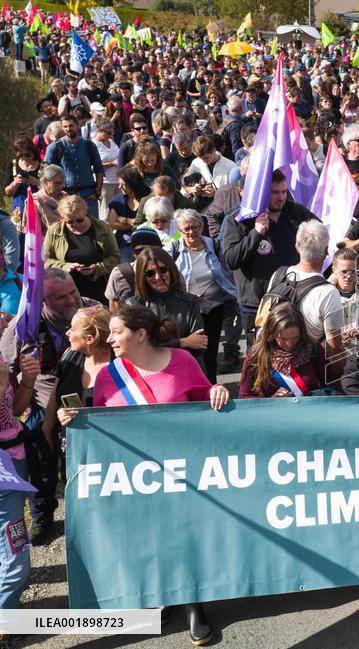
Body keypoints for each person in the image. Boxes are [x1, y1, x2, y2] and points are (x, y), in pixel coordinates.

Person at [83, 304, 226, 645]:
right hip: (134, 472)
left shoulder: (182, 362)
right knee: (146, 536)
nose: (109, 337)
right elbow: (98, 423)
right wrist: (72, 420)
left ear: (141, 334)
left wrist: (216, 392)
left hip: (181, 467)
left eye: (117, 331)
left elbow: (203, 394)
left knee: (183, 534)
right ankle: (160, 595)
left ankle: (194, 603)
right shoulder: (107, 375)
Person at [0, 268, 95, 544]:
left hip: (83, 399)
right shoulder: (24, 325)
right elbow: (6, 369)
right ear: (42, 301)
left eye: (73, 291)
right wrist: (23, 393)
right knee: (41, 462)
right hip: (41, 403)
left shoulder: (91, 311)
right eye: (61, 297)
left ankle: (88, 511)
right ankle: (42, 513)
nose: (72, 299)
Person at [222, 170, 318, 345]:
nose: (281, 197)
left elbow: (319, 233)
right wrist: (256, 233)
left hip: (293, 298)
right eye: (275, 192)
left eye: (284, 191)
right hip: (257, 304)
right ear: (261, 192)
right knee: (262, 361)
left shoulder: (294, 211)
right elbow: (230, 260)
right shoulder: (237, 219)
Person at [261, 221, 346, 384]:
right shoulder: (328, 292)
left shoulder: (279, 275)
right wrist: (341, 380)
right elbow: (334, 348)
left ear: (297, 247)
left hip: (271, 366)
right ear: (326, 251)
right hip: (303, 375)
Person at [169, 210, 237, 383]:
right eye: (186, 229)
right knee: (188, 352)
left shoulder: (214, 246)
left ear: (202, 226)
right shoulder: (173, 249)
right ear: (179, 229)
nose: (191, 232)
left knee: (210, 351)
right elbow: (167, 279)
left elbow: (228, 271)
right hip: (186, 309)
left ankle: (211, 387)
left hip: (213, 307)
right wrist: (187, 296)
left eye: (195, 227)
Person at [42, 306, 113, 453]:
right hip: (71, 448)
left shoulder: (119, 366)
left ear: (89, 339)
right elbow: (53, 401)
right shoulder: (69, 357)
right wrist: (47, 432)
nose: (67, 332)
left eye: (73, 329)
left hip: (106, 450)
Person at [0, 345, 37, 610]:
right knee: (16, 559)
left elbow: (11, 411)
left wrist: (27, 382)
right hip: (4, 472)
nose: (4, 318)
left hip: (15, 458)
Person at [125, 247, 207, 367]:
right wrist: (182, 342)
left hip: (187, 368)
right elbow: (137, 348)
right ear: (142, 277)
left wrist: (157, 344)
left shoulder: (189, 301)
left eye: (163, 270)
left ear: (171, 270)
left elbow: (199, 346)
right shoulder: (133, 305)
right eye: (150, 273)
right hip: (151, 371)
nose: (158, 277)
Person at [42, 195, 120, 302]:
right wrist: (65, 267)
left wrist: (96, 269)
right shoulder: (54, 231)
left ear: (85, 213)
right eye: (69, 221)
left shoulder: (102, 229)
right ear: (61, 217)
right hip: (65, 290)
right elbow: (46, 260)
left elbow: (114, 258)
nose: (75, 224)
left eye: (79, 220)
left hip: (98, 287)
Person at [239, 303, 323, 398]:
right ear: (271, 335)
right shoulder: (257, 354)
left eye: (296, 337)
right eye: (283, 339)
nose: (289, 344)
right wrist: (273, 401)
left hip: (310, 411)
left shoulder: (313, 349)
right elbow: (244, 396)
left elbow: (331, 388)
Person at [44, 115, 105, 218]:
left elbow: (99, 169)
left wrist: (97, 192)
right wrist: (53, 194)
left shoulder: (89, 145)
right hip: (65, 196)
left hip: (88, 196)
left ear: (77, 126)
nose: (68, 129)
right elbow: (47, 174)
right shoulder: (54, 147)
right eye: (65, 126)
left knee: (93, 228)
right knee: (68, 228)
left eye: (71, 126)